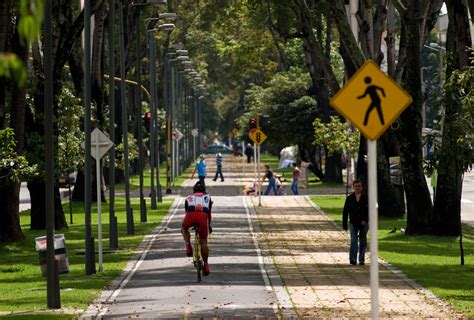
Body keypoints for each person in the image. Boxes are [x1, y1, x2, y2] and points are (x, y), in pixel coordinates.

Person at [181, 181, 213, 275]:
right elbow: (209, 214)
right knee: (203, 241)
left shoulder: (189, 198)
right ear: (204, 190)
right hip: (202, 218)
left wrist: (184, 226)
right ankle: (206, 265)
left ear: (193, 190)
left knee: (184, 228)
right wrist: (209, 225)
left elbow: (186, 212)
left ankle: (188, 246)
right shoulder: (208, 197)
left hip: (190, 216)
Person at [342, 179, 369, 265]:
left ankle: (361, 259)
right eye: (356, 186)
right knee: (353, 241)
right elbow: (345, 212)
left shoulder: (366, 198)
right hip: (353, 223)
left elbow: (370, 211)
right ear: (353, 187)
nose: (357, 188)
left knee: (363, 241)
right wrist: (344, 225)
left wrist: (366, 220)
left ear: (362, 188)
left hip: (364, 223)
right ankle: (352, 259)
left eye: (359, 186)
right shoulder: (349, 198)